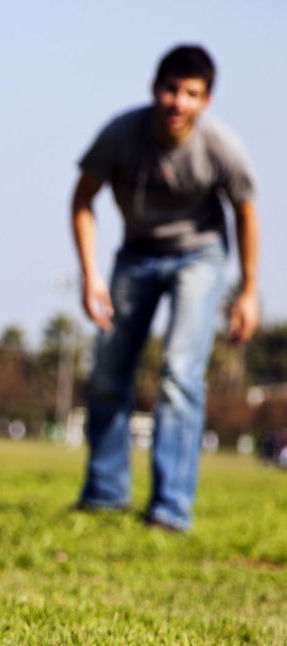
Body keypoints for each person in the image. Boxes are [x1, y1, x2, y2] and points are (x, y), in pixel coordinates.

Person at [70, 45, 260, 532]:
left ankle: (171, 508)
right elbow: (83, 199)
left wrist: (248, 289)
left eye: (191, 94)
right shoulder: (122, 134)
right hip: (136, 254)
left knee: (179, 372)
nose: (178, 102)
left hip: (200, 257)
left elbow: (245, 212)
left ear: (206, 100)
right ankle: (105, 494)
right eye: (171, 89)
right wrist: (91, 275)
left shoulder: (220, 146)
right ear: (155, 89)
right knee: (110, 369)